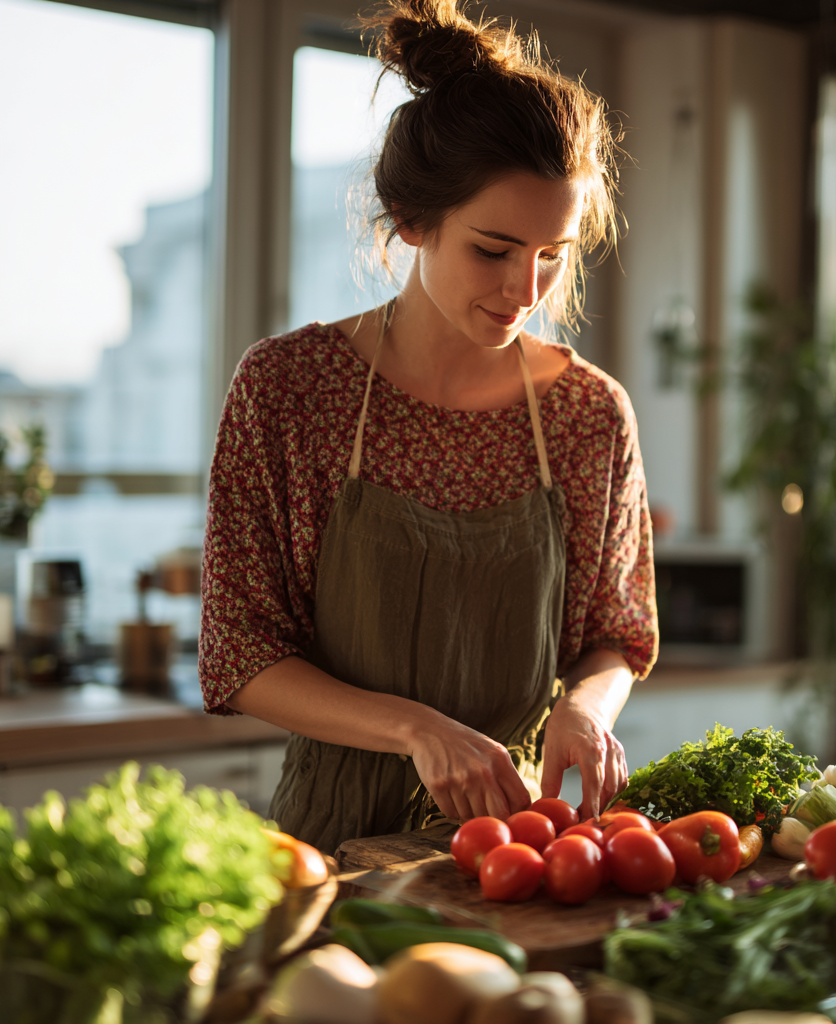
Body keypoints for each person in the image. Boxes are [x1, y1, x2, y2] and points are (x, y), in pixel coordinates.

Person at [199, 0, 658, 855]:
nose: (527, 291)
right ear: (412, 222)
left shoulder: (589, 414)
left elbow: (614, 635)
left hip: (521, 840)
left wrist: (586, 709)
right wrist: (417, 729)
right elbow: (240, 654)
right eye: (494, 249)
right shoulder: (291, 389)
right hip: (332, 841)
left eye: (552, 254)